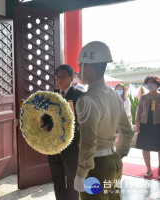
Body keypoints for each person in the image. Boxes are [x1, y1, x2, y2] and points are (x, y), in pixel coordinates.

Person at [73, 41, 134, 200]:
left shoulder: (86, 100)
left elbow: (88, 141)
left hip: (95, 167)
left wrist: (81, 173)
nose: (79, 71)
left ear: (88, 68)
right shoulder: (114, 95)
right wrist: (118, 154)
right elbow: (128, 131)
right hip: (114, 162)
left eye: (80, 66)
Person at [48, 65, 84, 200]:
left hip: (72, 146)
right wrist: (44, 122)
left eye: (63, 76)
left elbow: (82, 121)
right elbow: (47, 116)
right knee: (57, 180)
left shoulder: (79, 95)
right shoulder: (53, 95)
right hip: (54, 145)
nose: (59, 79)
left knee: (72, 180)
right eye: (57, 76)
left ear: (72, 77)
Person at [135, 75, 160, 179]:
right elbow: (139, 110)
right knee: (145, 148)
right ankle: (149, 170)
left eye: (152, 83)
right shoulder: (143, 97)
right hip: (145, 125)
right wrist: (137, 123)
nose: (150, 85)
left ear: (157, 84)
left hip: (158, 125)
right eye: (148, 83)